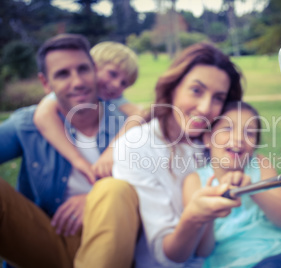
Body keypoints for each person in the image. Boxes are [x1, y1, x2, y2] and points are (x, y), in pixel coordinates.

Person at [0, 34, 140, 268]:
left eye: (83, 70)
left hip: (111, 242)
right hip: (46, 237)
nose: (77, 82)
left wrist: (95, 200)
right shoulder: (29, 123)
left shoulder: (127, 125)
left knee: (113, 190)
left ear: (94, 70)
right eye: (63, 74)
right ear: (46, 83)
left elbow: (153, 184)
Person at [103, 42, 244, 267]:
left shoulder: (220, 142)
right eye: (196, 90)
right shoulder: (135, 146)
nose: (206, 108)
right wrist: (195, 216)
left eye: (218, 97)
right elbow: (164, 257)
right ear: (173, 87)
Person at [182, 101, 281, 268]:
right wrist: (209, 212)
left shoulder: (259, 164)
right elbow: (203, 251)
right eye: (227, 129)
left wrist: (252, 189)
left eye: (249, 133)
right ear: (208, 138)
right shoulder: (195, 181)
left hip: (276, 255)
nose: (238, 138)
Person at [33, 41, 142, 183]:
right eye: (112, 74)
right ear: (93, 67)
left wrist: (112, 151)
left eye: (124, 83)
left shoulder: (112, 100)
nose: (116, 85)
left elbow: (139, 114)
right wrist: (78, 160)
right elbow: (42, 115)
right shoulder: (68, 92)